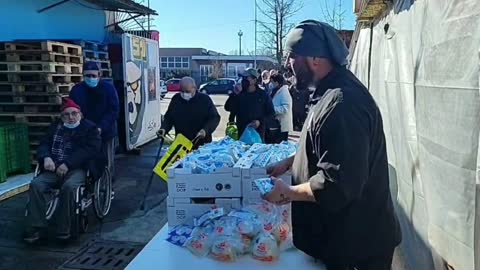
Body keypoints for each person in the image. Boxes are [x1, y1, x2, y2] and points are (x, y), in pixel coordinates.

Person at [264, 20, 401, 270]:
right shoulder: (329, 93)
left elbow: (338, 185)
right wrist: (290, 163)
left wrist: (287, 192)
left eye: (292, 56)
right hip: (345, 240)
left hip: (359, 249)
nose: (287, 65)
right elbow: (326, 147)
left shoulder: (342, 104)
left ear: (315, 58)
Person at [24, 99, 101, 243]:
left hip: (78, 168)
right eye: (66, 115)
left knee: (69, 187)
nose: (71, 117)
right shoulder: (54, 127)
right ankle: (36, 227)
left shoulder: (90, 129)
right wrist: (46, 157)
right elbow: (43, 144)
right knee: (36, 185)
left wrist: (68, 163)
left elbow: (90, 150)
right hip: (54, 167)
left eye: (74, 114)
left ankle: (64, 227)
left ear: (80, 114)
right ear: (61, 117)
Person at [69, 61, 119, 181]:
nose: (90, 78)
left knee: (106, 161)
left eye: (93, 75)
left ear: (99, 74)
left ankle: (108, 184)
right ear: (83, 75)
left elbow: (113, 110)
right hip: (85, 132)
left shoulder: (108, 88)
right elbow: (73, 109)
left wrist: (101, 127)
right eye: (87, 75)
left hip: (105, 132)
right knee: (85, 158)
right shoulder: (77, 90)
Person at [157, 76, 220, 147]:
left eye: (187, 91)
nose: (184, 94)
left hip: (201, 144)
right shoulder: (176, 99)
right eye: (182, 91)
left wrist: (205, 130)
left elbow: (214, 118)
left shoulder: (205, 100)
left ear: (195, 88)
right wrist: (164, 128)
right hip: (181, 143)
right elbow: (169, 117)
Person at [224, 68, 274, 141]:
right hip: (240, 132)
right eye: (243, 78)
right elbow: (228, 107)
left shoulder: (262, 95)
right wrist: (234, 94)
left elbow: (271, 113)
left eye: (246, 78)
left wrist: (259, 122)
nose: (243, 80)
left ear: (254, 80)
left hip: (257, 134)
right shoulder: (240, 93)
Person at [267, 74, 293, 143]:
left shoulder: (284, 92)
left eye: (272, 81)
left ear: (277, 82)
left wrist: (273, 109)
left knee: (281, 145)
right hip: (276, 124)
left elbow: (286, 108)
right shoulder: (275, 91)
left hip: (282, 125)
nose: (270, 83)